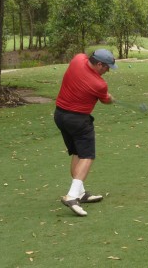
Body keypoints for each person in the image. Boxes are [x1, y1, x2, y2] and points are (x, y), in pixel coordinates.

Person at [54, 49, 118, 216]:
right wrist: (110, 98)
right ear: (99, 64)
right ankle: (72, 196)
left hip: (60, 116)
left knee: (77, 152)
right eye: (107, 67)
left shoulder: (77, 59)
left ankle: (80, 193)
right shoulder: (100, 84)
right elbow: (106, 101)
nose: (108, 71)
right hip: (78, 121)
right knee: (87, 156)